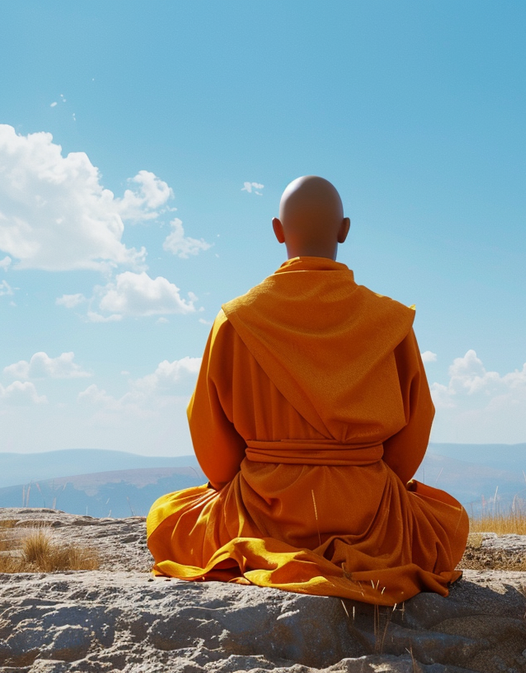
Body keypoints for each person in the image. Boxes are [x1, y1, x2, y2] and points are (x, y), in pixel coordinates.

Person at [146, 176, 468, 605]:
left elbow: (211, 441)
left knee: (166, 517)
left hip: (262, 512)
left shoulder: (235, 320)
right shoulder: (391, 322)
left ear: (278, 231)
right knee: (449, 519)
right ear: (344, 230)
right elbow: (415, 426)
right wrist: (375, 483)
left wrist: (236, 483)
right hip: (369, 514)